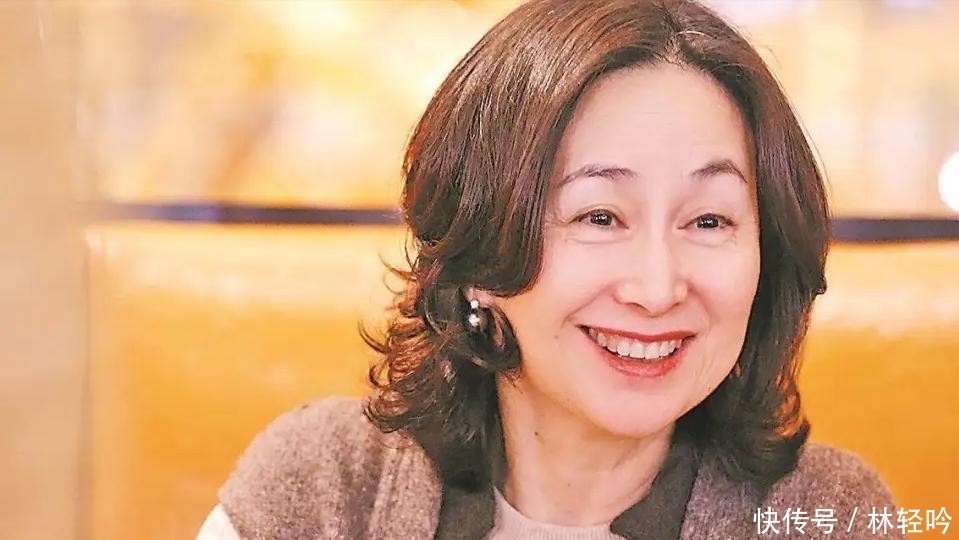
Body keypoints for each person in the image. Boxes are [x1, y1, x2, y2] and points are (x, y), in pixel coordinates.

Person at [197, 0, 902, 538]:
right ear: (480, 248)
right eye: (599, 217)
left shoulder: (826, 514)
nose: (657, 289)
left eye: (709, 221)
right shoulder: (325, 487)